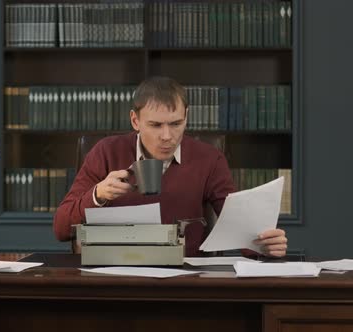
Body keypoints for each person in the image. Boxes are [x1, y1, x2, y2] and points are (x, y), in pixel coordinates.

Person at [53, 76, 287, 257]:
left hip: (185, 278)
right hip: (116, 272)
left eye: (176, 124)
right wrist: (97, 195)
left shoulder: (209, 159)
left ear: (187, 116)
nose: (167, 136)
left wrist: (264, 245)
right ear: (135, 120)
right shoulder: (106, 152)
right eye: (155, 125)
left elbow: (238, 226)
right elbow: (61, 228)